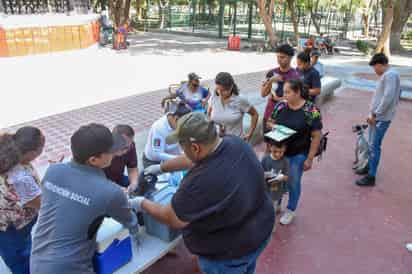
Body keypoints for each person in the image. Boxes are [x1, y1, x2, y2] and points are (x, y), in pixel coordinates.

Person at [131, 112, 274, 274]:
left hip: (230, 253)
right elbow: (192, 159)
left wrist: (141, 203)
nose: (181, 151)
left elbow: (172, 218)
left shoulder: (198, 182)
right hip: (260, 229)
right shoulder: (234, 143)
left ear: (195, 147)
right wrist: (160, 168)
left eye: (182, 147)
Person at [30, 123, 139, 274]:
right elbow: (130, 222)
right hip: (70, 267)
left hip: (37, 259)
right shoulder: (110, 192)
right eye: (110, 150)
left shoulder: (53, 170)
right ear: (94, 160)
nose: (114, 153)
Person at [267, 79, 322, 225]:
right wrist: (275, 127)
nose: (283, 95)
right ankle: (276, 203)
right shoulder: (281, 105)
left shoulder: (311, 110)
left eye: (287, 92)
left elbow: (316, 135)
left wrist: (309, 158)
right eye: (283, 92)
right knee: (276, 178)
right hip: (279, 151)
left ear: (297, 92)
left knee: (293, 181)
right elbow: (269, 121)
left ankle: (290, 210)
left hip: (299, 152)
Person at [356, 53, 401, 187]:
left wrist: (375, 114)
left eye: (375, 67)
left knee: (374, 146)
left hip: (380, 118)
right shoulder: (389, 75)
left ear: (380, 64)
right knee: (371, 144)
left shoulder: (390, 75)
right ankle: (368, 168)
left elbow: (388, 97)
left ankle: (371, 176)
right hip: (378, 117)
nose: (374, 70)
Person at [0, 133, 40, 274]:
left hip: (7, 226)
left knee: (12, 252)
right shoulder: (19, 177)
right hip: (14, 227)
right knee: (20, 258)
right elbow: (40, 203)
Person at [208, 72, 258, 142]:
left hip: (236, 141)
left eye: (224, 90)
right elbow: (209, 115)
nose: (221, 93)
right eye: (219, 89)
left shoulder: (240, 100)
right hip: (217, 142)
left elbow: (255, 114)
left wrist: (250, 133)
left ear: (231, 87)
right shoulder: (213, 98)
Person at [261, 44, 300, 134]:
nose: (279, 59)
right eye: (278, 57)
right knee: (269, 144)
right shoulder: (272, 72)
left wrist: (278, 99)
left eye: (282, 57)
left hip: (286, 117)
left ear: (290, 58)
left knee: (281, 146)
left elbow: (296, 99)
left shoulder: (295, 76)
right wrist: (270, 81)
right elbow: (263, 94)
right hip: (269, 114)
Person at [143, 103, 191, 168]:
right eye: (184, 125)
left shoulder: (180, 123)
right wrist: (180, 159)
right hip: (154, 162)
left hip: (174, 157)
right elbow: (157, 154)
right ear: (176, 118)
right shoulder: (158, 127)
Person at [104, 125, 139, 193]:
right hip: (103, 183)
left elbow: (132, 168)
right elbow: (97, 180)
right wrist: (117, 188)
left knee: (139, 186)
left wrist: (134, 183)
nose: (126, 150)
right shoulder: (103, 152)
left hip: (119, 178)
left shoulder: (130, 147)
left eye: (129, 146)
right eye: (124, 146)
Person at [261, 141, 289, 218]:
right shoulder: (265, 159)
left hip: (278, 189)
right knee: (268, 204)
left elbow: (287, 177)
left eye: (281, 152)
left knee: (275, 203)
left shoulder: (285, 161)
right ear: (270, 147)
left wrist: (282, 177)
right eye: (275, 151)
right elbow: (260, 173)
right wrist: (266, 175)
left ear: (285, 149)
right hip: (267, 188)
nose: (277, 154)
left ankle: (272, 223)